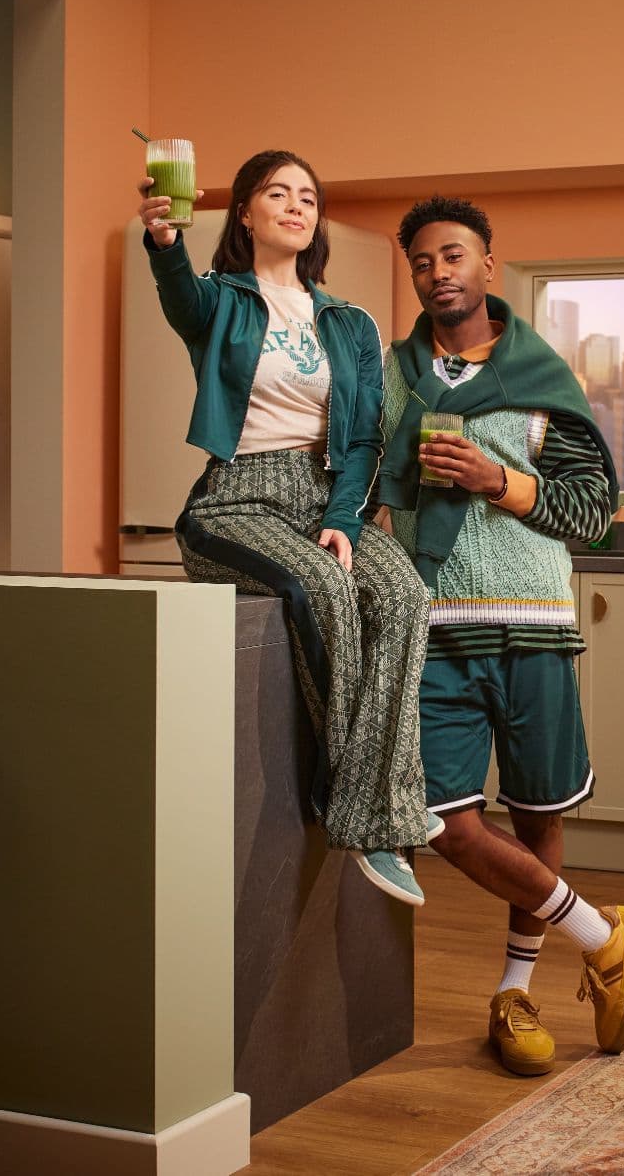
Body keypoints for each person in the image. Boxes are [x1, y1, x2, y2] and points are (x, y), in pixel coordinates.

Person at [377, 194, 624, 1078]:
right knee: (444, 823)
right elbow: (364, 475)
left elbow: (591, 514)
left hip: (534, 626)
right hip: (434, 622)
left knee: (537, 816)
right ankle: (604, 938)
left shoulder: (542, 379)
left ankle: (516, 994)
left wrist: (499, 480)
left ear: (489, 267)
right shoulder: (394, 377)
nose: (438, 273)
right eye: (422, 262)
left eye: (453, 256)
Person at [138, 150, 436, 906]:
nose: (297, 206)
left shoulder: (351, 323)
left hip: (324, 496)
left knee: (404, 596)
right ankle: (375, 817)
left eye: (309, 196)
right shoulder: (221, 302)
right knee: (325, 594)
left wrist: (343, 519)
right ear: (245, 211)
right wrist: (164, 243)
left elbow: (365, 438)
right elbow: (179, 297)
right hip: (236, 500)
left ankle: (377, 809)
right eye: (279, 193)